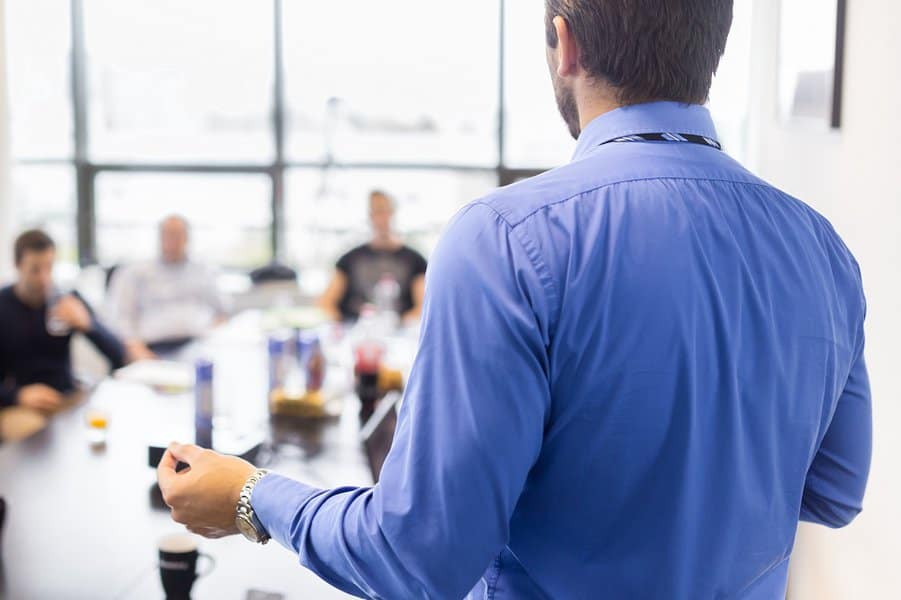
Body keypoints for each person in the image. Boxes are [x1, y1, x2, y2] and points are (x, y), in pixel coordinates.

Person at [158, 2, 871, 598]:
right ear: (710, 46)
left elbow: (417, 559)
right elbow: (832, 490)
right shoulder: (821, 247)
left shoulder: (507, 237)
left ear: (563, 41)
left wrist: (252, 497)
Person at [0, 230, 126, 440]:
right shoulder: (3, 307)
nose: (45, 278)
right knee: (37, 438)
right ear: (17, 265)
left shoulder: (66, 299)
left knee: (112, 425)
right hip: (20, 405)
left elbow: (119, 355)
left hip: (67, 398)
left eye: (49, 267)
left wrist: (88, 325)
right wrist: (18, 395)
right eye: (35, 270)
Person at [107, 215, 227, 359]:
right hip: (153, 350)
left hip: (199, 346)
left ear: (187, 238)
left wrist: (213, 341)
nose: (172, 240)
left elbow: (221, 313)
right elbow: (122, 320)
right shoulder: (135, 272)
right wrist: (141, 354)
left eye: (178, 235)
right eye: (168, 234)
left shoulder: (203, 270)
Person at [317, 190, 427, 322]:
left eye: (385, 211)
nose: (381, 217)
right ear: (370, 216)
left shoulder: (415, 260)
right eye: (376, 212)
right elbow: (326, 302)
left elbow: (423, 306)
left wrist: (402, 326)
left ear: (393, 213)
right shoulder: (349, 259)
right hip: (356, 331)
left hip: (398, 333)